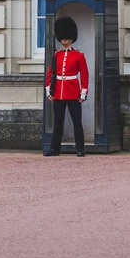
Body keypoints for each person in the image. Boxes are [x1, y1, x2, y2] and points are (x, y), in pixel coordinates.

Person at [44, 17, 89, 157]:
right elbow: (50, 74)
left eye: (65, 38)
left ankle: (80, 148)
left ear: (71, 38)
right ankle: (54, 148)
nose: (63, 40)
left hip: (73, 92)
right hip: (58, 92)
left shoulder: (79, 55)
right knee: (57, 122)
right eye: (61, 38)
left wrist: (83, 92)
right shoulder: (57, 55)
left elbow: (85, 75)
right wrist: (49, 90)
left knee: (77, 122)